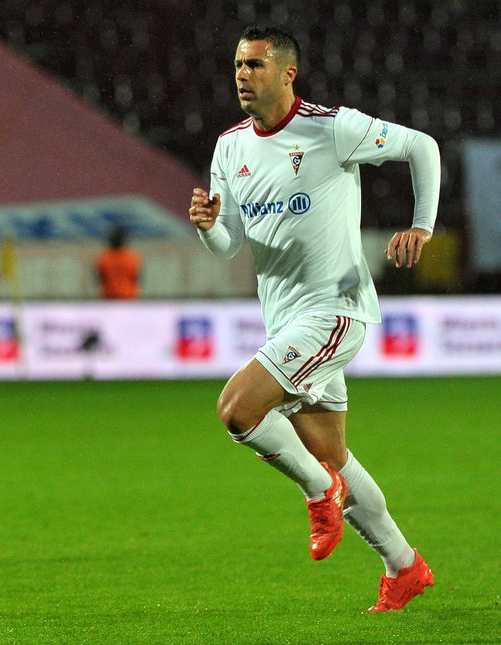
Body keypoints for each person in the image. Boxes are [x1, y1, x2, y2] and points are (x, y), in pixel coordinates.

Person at [189, 26, 440, 612]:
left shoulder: (331, 128)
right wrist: (208, 228)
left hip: (335, 308)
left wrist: (422, 224)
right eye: (237, 65)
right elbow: (230, 246)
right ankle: (404, 566)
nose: (242, 75)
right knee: (329, 451)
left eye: (253, 64)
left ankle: (320, 492)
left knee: (238, 409)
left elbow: (422, 146)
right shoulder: (231, 146)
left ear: (286, 73)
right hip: (285, 316)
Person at [95, 224, 141, 299]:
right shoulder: (132, 258)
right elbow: (136, 278)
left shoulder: (104, 258)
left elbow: (100, 278)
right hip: (128, 296)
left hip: (109, 296)